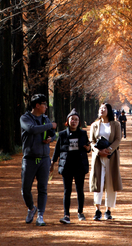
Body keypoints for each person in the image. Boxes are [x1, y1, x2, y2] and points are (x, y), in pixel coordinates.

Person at [20, 93, 57, 227]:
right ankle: (31, 208)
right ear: (37, 105)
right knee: (25, 189)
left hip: (44, 159)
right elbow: (31, 129)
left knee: (43, 188)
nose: (46, 107)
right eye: (44, 104)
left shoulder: (45, 119)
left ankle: (40, 216)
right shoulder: (25, 118)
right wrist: (50, 126)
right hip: (29, 159)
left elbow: (53, 133)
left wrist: (50, 139)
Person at [51, 108, 91, 224]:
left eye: (76, 120)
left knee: (80, 190)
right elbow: (57, 150)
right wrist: (52, 163)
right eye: (72, 119)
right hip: (66, 166)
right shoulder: (62, 134)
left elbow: (87, 148)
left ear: (79, 122)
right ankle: (66, 214)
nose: (74, 121)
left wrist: (88, 148)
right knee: (67, 191)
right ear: (67, 121)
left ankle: (80, 212)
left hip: (79, 165)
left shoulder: (83, 133)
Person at [89, 102, 122, 220]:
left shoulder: (115, 124)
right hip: (98, 158)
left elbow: (118, 139)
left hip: (111, 157)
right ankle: (97, 209)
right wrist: (98, 152)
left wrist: (109, 150)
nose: (101, 110)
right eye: (100, 108)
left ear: (109, 110)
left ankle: (108, 210)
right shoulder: (94, 125)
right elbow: (91, 142)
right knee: (98, 181)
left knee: (110, 183)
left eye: (104, 108)